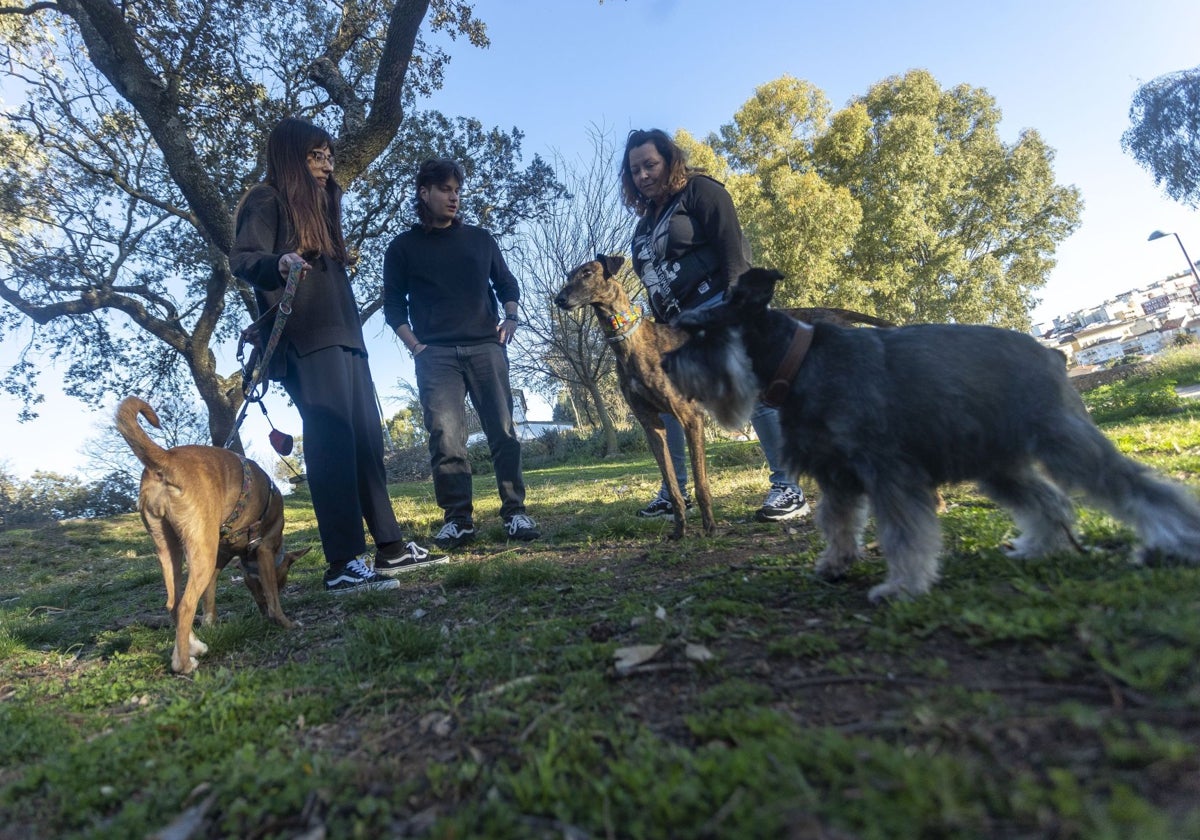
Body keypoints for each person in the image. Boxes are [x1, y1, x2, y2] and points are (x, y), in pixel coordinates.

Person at [231, 117, 447, 594]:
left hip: (347, 337)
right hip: (307, 340)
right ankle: (343, 562)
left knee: (367, 441)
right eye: (315, 155)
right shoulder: (267, 199)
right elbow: (243, 259)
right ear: (291, 157)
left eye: (329, 154)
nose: (327, 164)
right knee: (332, 441)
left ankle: (389, 546)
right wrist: (279, 262)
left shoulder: (322, 213)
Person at [620, 128, 810, 523]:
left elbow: (732, 251)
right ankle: (675, 494)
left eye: (650, 165)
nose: (643, 176)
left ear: (669, 160)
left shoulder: (701, 192)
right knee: (667, 402)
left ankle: (788, 488)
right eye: (635, 170)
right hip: (674, 326)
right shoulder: (643, 226)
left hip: (718, 306)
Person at [382, 158, 539, 550]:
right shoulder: (402, 247)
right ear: (425, 193)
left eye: (456, 190)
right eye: (445, 189)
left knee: (502, 431)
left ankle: (515, 512)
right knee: (446, 438)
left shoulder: (481, 239)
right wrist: (416, 346)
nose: (454, 196)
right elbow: (392, 307)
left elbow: (507, 282)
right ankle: (458, 520)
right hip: (435, 356)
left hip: (486, 348)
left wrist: (512, 318)